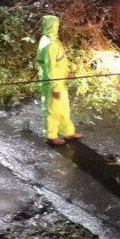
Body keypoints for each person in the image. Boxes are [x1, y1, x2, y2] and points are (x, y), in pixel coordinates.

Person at [36, 15, 83, 146]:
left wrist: (66, 73)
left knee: (63, 108)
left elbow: (58, 62)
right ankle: (51, 136)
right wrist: (55, 88)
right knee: (51, 110)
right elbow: (50, 70)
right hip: (52, 83)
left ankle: (68, 132)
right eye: (55, 25)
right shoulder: (49, 44)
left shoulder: (50, 40)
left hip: (59, 81)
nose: (57, 27)